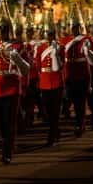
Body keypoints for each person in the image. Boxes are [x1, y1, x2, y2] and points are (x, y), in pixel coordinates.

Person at [0, 0, 30, 163]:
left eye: (5, 29)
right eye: (0, 28)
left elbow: (26, 70)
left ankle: (7, 152)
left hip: (11, 88)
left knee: (9, 122)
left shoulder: (18, 46)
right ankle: (8, 143)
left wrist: (17, 58)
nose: (2, 31)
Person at [59, 3, 93, 137]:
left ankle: (80, 124)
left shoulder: (86, 39)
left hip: (82, 73)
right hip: (70, 73)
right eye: (72, 27)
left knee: (81, 101)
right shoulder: (65, 40)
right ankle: (79, 122)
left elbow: (92, 58)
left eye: (76, 27)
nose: (74, 29)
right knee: (74, 101)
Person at [34, 8, 64, 146]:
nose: (48, 35)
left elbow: (61, 65)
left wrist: (55, 53)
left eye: (50, 33)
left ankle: (52, 135)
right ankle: (56, 131)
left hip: (56, 82)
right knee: (47, 110)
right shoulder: (40, 48)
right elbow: (39, 66)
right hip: (45, 82)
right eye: (47, 33)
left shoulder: (60, 47)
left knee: (55, 111)